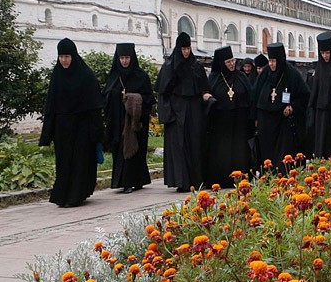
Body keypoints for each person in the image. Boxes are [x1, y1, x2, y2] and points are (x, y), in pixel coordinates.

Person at [39, 38, 104, 207]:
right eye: (61, 57)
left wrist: (97, 132)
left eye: (67, 56)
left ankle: (76, 195)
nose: (64, 60)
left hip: (82, 128)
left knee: (80, 162)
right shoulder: (57, 76)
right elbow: (51, 106)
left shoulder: (86, 75)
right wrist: (48, 133)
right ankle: (62, 196)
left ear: (73, 56)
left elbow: (95, 106)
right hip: (62, 129)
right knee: (64, 162)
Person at [155, 32, 212, 192]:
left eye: (188, 48)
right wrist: (167, 114)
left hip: (194, 111)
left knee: (195, 144)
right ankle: (181, 181)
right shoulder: (169, 67)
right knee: (178, 147)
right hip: (176, 112)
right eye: (183, 49)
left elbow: (203, 88)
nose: (186, 52)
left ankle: (197, 179)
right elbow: (163, 93)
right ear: (178, 49)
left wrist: (204, 94)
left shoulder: (196, 66)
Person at [103, 43, 154, 194]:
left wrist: (134, 100)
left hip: (136, 123)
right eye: (122, 58)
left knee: (136, 151)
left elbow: (149, 98)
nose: (124, 61)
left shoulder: (141, 76)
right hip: (119, 121)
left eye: (127, 58)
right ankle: (124, 182)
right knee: (121, 151)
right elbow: (106, 98)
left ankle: (137, 180)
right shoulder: (114, 77)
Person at [253, 43, 309, 174]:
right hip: (266, 122)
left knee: (283, 155)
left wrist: (292, 106)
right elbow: (254, 95)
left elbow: (304, 95)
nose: (271, 64)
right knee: (267, 155)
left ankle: (283, 176)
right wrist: (255, 117)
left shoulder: (292, 74)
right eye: (270, 61)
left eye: (274, 61)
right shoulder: (265, 74)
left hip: (283, 121)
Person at [205, 46, 254, 187]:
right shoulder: (214, 78)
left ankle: (240, 177)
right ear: (221, 63)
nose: (232, 64)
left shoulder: (241, 76)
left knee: (240, 151)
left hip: (239, 121)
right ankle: (221, 179)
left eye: (232, 61)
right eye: (228, 62)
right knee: (222, 151)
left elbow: (249, 97)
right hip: (220, 123)